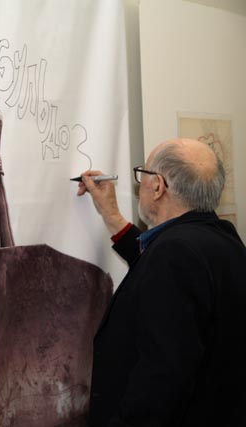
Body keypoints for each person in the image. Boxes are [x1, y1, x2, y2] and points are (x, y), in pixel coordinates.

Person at [76, 138, 246, 426]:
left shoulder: (174, 255)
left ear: (158, 186)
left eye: (143, 174)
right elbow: (160, 274)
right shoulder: (222, 239)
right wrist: (112, 215)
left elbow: (161, 382)